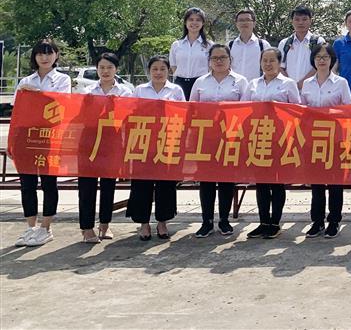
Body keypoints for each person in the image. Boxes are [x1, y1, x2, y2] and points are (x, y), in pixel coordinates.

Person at [12, 39, 71, 247]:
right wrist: (13, 142)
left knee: (48, 183)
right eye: (40, 53)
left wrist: (37, 96)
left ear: (56, 55)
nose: (44, 58)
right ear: (34, 57)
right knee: (27, 184)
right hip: (27, 137)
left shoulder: (62, 79)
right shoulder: (26, 80)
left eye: (49, 53)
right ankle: (31, 227)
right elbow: (17, 111)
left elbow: (63, 103)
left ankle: (46, 228)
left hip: (50, 137)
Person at [189, 44, 249, 238]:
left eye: (223, 57)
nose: (219, 61)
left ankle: (224, 220)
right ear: (209, 61)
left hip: (230, 137)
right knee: (206, 180)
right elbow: (192, 109)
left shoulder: (241, 81)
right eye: (215, 58)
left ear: (230, 59)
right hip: (205, 138)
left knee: (226, 179)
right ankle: (206, 221)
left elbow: (247, 109)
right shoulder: (200, 82)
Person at [241, 47, 301, 239]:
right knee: (261, 183)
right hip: (258, 137)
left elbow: (297, 110)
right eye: (264, 60)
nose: (268, 64)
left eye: (272, 60)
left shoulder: (288, 83)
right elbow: (243, 108)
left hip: (280, 138)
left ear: (279, 63)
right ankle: (263, 222)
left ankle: (275, 222)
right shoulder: (253, 84)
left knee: (276, 182)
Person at [129, 55, 184, 240]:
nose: (158, 72)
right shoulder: (140, 90)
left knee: (165, 184)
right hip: (143, 142)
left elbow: (184, 115)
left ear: (168, 71)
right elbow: (131, 113)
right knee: (141, 185)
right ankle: (144, 224)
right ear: (149, 71)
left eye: (162, 69)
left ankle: (162, 222)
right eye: (155, 69)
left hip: (168, 142)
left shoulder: (176, 90)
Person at [301, 41, 351, 239]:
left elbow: (349, 110)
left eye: (326, 57)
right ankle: (317, 221)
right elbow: (302, 111)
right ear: (313, 60)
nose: (322, 60)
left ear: (332, 60)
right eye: (318, 57)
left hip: (335, 139)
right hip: (314, 139)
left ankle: (334, 220)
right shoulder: (307, 84)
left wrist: (331, 115)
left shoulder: (341, 83)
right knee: (316, 183)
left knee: (334, 182)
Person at [79, 52, 132, 243]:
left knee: (108, 184)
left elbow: (129, 117)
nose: (105, 71)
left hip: (112, 140)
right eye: (101, 67)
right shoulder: (87, 91)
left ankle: (105, 224)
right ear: (97, 69)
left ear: (117, 69)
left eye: (109, 67)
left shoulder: (125, 92)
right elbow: (79, 116)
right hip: (89, 140)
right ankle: (86, 227)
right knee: (87, 185)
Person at [278, 5, 325, 89]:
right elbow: (280, 67)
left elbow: (320, 66)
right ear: (292, 21)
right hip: (288, 90)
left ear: (310, 21)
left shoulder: (318, 41)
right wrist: (291, 84)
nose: (300, 23)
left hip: (313, 89)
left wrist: (302, 83)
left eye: (304, 19)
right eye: (297, 19)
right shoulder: (284, 43)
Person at [169, 7, 212, 98]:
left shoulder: (209, 45)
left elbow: (211, 67)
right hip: (180, 84)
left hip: (201, 84)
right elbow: (173, 66)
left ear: (203, 23)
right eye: (191, 19)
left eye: (198, 20)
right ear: (185, 22)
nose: (194, 22)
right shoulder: (176, 45)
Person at [228, 8, 271, 81]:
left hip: (256, 86)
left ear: (254, 23)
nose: (244, 23)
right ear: (236, 24)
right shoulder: (229, 45)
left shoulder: (263, 45)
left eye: (247, 20)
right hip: (234, 86)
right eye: (241, 20)